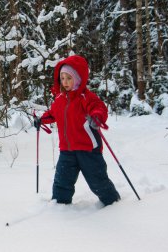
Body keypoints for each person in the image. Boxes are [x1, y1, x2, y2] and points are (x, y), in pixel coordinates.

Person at [34, 55, 120, 206]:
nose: (65, 82)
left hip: (88, 150)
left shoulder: (85, 97)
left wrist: (96, 117)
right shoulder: (59, 99)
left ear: (78, 78)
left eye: (69, 78)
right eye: (62, 78)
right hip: (67, 150)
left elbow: (99, 108)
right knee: (62, 181)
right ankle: (59, 207)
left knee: (98, 181)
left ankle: (113, 203)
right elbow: (53, 114)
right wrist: (41, 119)